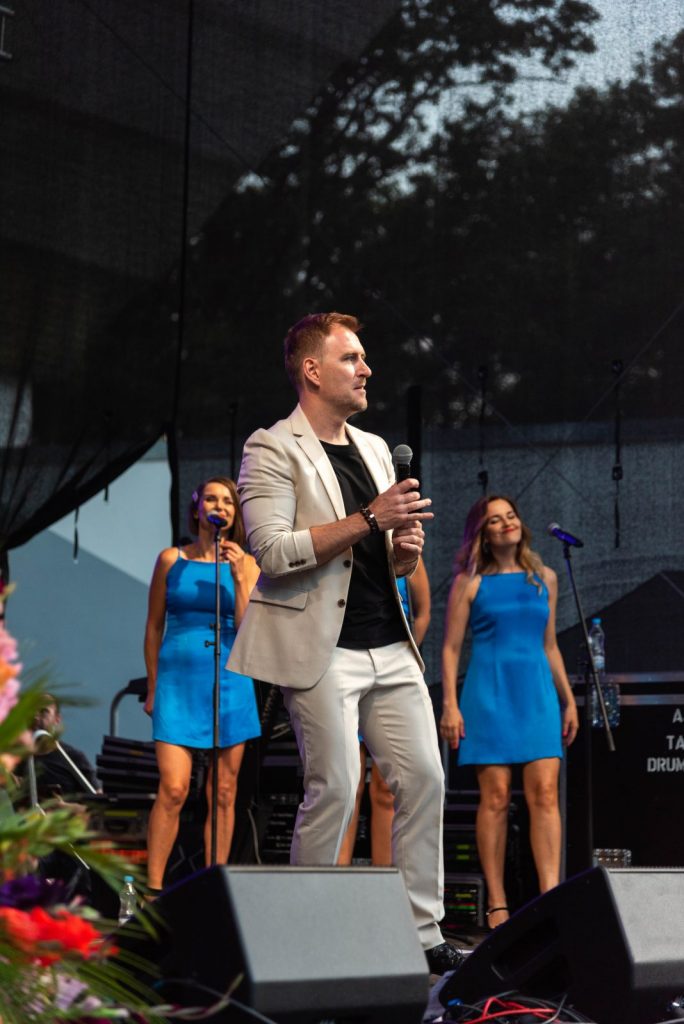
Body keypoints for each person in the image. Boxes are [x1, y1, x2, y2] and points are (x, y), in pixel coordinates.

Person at [229, 312, 459, 975]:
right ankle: (310, 936)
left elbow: (383, 557)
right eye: (351, 358)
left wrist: (403, 551)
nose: (366, 369)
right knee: (336, 786)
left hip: (390, 641)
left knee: (425, 778)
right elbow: (272, 553)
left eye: (363, 358)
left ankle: (422, 932)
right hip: (323, 650)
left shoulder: (376, 448)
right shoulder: (272, 447)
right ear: (311, 370)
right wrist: (370, 518)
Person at [440, 494, 579, 930]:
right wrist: (449, 704)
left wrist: (568, 699)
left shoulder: (545, 577)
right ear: (482, 534)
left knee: (545, 794)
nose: (506, 524)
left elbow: (549, 645)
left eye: (511, 516)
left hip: (536, 693)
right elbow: (450, 649)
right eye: (495, 520)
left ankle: (551, 897)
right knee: (496, 798)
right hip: (489, 694)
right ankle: (497, 905)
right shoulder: (469, 582)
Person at [143, 477, 260, 891]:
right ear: (197, 508)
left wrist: (240, 578)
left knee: (224, 792)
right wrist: (153, 686)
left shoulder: (248, 564)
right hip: (177, 684)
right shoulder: (170, 559)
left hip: (230, 682)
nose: (220, 506)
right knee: (174, 788)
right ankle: (152, 891)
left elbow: (249, 630)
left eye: (228, 501)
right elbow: (153, 627)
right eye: (212, 498)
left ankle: (213, 889)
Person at [338, 556, 431, 866]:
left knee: (387, 788)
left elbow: (423, 612)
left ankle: (385, 880)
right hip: (343, 668)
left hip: (390, 673)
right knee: (345, 785)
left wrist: (403, 655)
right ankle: (334, 879)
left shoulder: (401, 547)